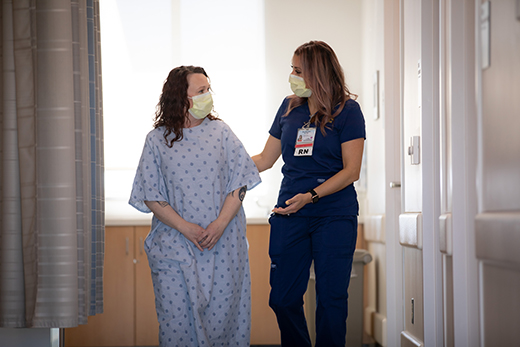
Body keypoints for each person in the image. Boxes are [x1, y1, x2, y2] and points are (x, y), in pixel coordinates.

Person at [129, 65, 261, 346]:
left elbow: (239, 182)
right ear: (181, 97)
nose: (207, 96)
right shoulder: (157, 140)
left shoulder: (222, 133)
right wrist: (185, 227)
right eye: (201, 91)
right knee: (176, 323)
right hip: (174, 246)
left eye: (208, 89)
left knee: (223, 323)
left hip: (222, 246)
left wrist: (220, 224)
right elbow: (150, 193)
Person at [252, 41, 366, 347]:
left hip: (333, 214)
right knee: (283, 298)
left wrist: (312, 195)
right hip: (290, 211)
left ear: (316, 74)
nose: (292, 75)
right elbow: (265, 159)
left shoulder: (348, 111)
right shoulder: (290, 107)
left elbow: (351, 170)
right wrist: (225, 166)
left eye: (298, 70)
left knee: (330, 301)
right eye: (292, 68)